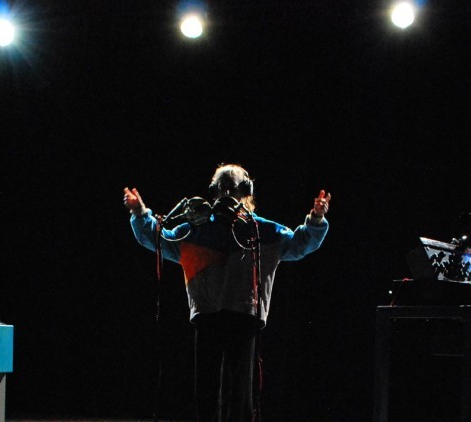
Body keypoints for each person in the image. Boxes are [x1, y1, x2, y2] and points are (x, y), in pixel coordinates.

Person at [124, 163, 331, 422]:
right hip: (208, 314)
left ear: (245, 191)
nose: (226, 194)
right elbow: (158, 238)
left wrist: (316, 219)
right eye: (222, 189)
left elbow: (300, 244)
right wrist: (140, 212)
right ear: (214, 192)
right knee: (207, 390)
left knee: (240, 393)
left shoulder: (264, 230)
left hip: (243, 316)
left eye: (231, 188)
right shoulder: (194, 229)